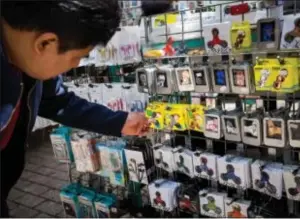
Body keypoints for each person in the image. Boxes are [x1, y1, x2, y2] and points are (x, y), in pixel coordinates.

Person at [0, 0, 174, 217]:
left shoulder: (30, 62)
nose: (74, 66)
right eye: (77, 58)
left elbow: (58, 102)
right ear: (45, 44)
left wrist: (119, 121)